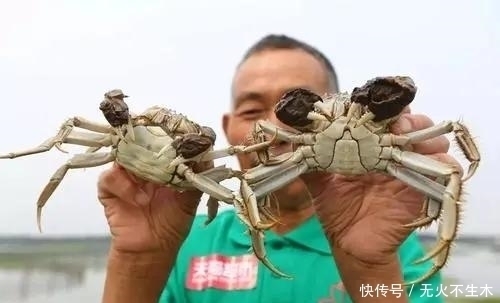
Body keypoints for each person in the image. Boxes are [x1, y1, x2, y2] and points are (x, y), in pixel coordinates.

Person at [98, 34, 459, 303]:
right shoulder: (186, 243)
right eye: (252, 111)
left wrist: (370, 266)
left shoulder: (399, 250)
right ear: (226, 129)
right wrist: (139, 260)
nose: (276, 127)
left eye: (297, 107)